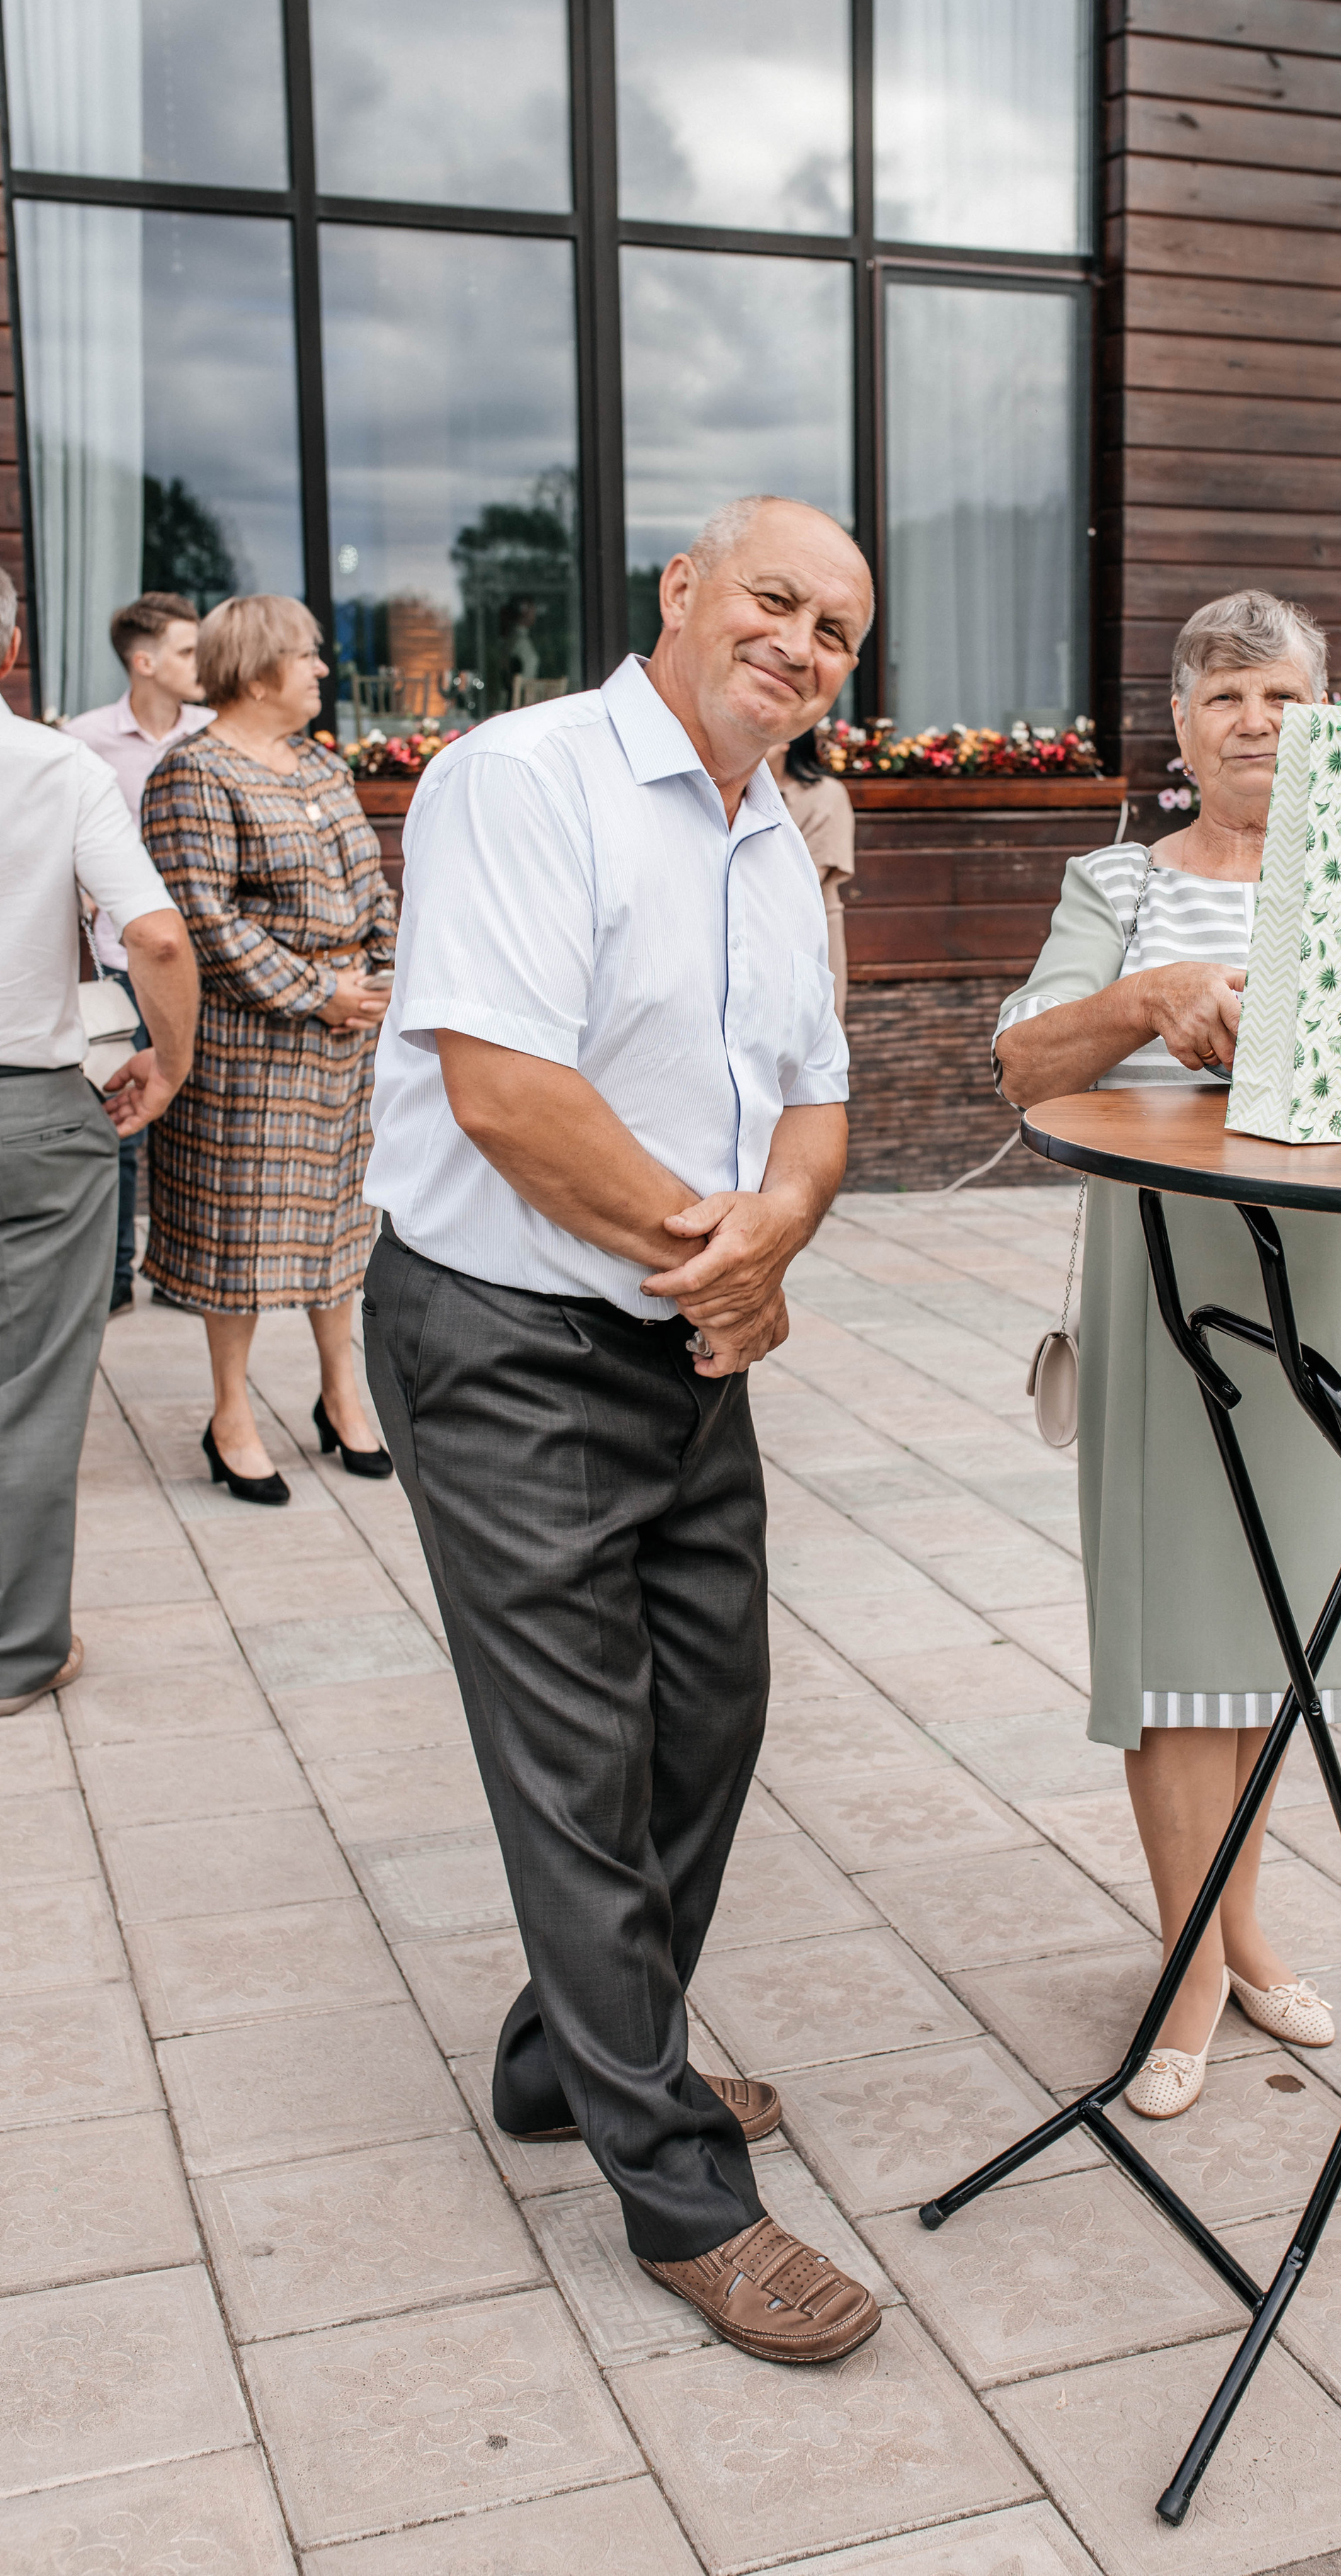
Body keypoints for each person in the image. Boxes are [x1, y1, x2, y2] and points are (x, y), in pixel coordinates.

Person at [362, 495, 879, 2364]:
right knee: (580, 1765)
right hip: (506, 1339)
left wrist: (775, 1236)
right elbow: (505, 1092)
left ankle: (563, 2059)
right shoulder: (525, 777)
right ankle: (681, 2191)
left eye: (836, 630)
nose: (804, 646)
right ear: (682, 590)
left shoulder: (768, 834)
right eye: (775, 599)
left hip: (678, 1346)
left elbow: (815, 1105)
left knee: (707, 1724)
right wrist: (718, 1265)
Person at [993, 591, 1341, 2119]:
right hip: (1165, 1288)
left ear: (1324, 719)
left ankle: (1237, 1931)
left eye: (1281, 697)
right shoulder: (1115, 884)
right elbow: (1020, 1054)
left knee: (1275, 1640)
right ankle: (1190, 1967)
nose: (1252, 724)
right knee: (1175, 1645)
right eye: (1223, 697)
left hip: (1336, 1293)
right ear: (1177, 725)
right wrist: (1154, 1002)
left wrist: (1331, 1026)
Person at [139, 595, 396, 1503]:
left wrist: (379, 980)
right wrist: (320, 992)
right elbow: (204, 921)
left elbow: (374, 883)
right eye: (309, 655)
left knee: (342, 1227)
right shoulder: (192, 774)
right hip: (250, 1045)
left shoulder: (321, 765)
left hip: (347, 1040)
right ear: (255, 672)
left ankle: (341, 1396)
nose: (324, 669)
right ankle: (230, 1414)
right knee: (240, 1235)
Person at [0, 565, 198, 1711]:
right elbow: (158, 941)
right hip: (30, 1109)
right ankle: (20, 1654)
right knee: (28, 1390)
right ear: (14, 648)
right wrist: (168, 1063)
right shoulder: (57, 765)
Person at [66, 592, 213, 1315]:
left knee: (198, 1117)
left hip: (203, 963)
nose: (202, 663)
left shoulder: (214, 735)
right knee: (121, 1113)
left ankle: (188, 1278)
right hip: (121, 962)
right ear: (143, 660)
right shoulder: (83, 741)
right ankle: (117, 1281)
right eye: (189, 651)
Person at [778, 728, 856, 1020]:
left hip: (810, 930)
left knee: (818, 1028)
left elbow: (810, 875)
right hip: (740, 932)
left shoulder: (826, 794)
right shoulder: (739, 789)